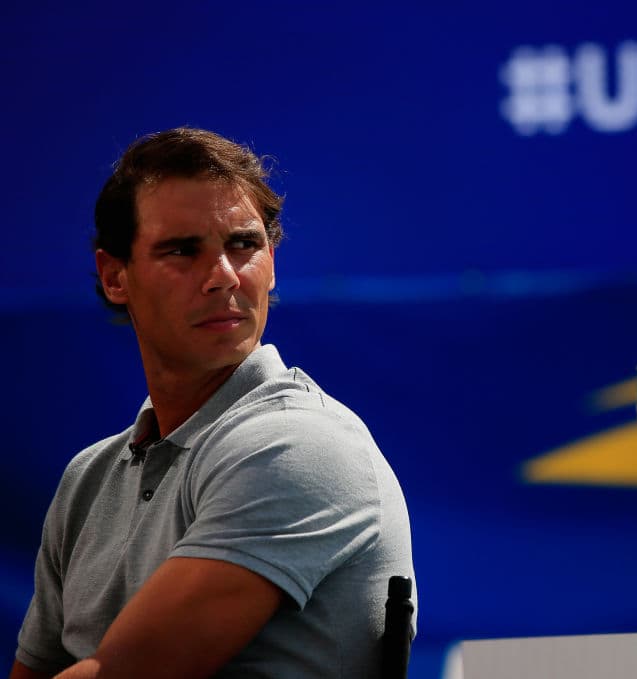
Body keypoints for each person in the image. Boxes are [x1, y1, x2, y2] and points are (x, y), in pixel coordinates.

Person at [10, 127, 416, 679]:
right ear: (115, 276)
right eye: (182, 250)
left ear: (271, 262)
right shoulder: (87, 477)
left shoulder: (302, 445)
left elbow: (124, 674)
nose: (223, 276)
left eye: (244, 244)